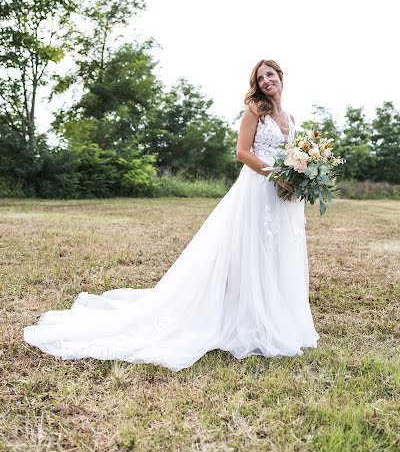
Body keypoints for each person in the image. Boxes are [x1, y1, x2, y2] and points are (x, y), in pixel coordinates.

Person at [24, 59, 320, 372]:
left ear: (280, 76)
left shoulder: (290, 117)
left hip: (283, 197)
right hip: (259, 190)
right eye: (260, 78)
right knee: (252, 252)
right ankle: (252, 318)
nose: (266, 81)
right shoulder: (254, 112)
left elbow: (293, 156)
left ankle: (277, 317)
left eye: (270, 75)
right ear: (256, 85)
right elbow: (242, 152)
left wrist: (299, 177)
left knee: (277, 254)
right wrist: (275, 173)